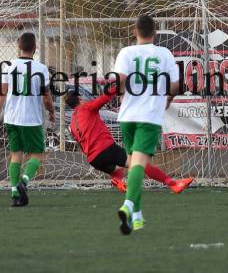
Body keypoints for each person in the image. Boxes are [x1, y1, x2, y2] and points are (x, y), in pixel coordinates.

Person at [113, 15, 180, 235]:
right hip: (148, 116)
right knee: (140, 164)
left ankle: (138, 218)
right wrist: (167, 98)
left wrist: (123, 93)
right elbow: (175, 85)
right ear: (155, 32)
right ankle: (129, 205)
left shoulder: (126, 52)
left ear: (135, 31)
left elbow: (118, 81)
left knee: (133, 164)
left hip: (126, 116)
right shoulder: (164, 54)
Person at [64, 87, 192, 196]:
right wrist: (118, 87)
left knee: (117, 171)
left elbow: (79, 142)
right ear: (80, 98)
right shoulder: (86, 108)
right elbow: (103, 99)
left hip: (93, 159)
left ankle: (117, 180)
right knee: (139, 164)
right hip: (106, 149)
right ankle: (174, 184)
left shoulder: (71, 123)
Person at [0, 33, 56, 206]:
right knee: (37, 154)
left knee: (15, 154)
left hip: (11, 118)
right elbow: (46, 97)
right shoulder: (41, 69)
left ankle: (15, 194)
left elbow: (1, 94)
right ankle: (23, 181)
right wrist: (52, 112)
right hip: (31, 119)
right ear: (35, 48)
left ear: (19, 46)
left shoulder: (8, 66)